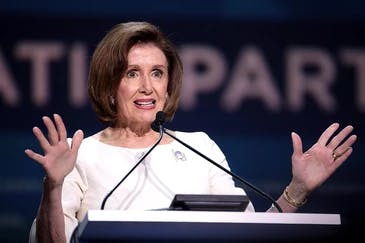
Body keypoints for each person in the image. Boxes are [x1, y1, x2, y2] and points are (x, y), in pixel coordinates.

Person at [25, 21, 357, 243]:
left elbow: (250, 234)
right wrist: (53, 187)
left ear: (168, 86)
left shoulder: (200, 147)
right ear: (110, 86)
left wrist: (296, 190)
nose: (147, 87)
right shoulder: (78, 153)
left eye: (157, 73)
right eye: (131, 74)